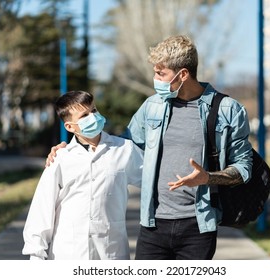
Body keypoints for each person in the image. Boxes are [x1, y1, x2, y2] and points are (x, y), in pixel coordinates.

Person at [46, 35, 253, 260]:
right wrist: (73, 145)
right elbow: (119, 146)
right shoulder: (152, 107)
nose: (155, 79)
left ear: (183, 74)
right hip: (153, 225)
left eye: (161, 73)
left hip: (198, 227)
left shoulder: (228, 110)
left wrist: (208, 178)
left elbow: (243, 168)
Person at [22, 90, 143, 260]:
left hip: (111, 253)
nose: (92, 117)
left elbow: (154, 180)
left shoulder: (124, 149)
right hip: (68, 254)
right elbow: (42, 208)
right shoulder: (60, 158)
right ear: (70, 127)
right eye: (84, 115)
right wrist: (36, 253)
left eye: (93, 110)